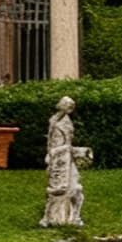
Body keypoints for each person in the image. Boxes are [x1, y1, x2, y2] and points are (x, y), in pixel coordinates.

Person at [41, 97, 89, 231]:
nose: (70, 109)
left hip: (64, 159)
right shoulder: (55, 121)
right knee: (56, 190)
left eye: (71, 107)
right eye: (68, 106)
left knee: (75, 189)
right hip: (58, 161)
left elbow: (65, 145)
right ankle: (50, 217)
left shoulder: (65, 123)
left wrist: (78, 151)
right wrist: (52, 154)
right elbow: (53, 144)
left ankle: (74, 217)